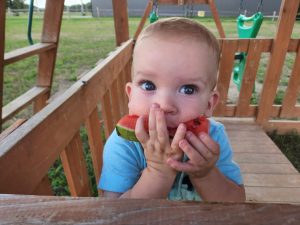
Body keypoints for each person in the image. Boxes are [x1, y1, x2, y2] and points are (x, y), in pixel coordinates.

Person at [99, 17, 246, 202]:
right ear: (130, 95)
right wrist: (158, 173)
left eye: (188, 89)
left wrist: (206, 174)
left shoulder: (213, 138)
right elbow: (114, 211)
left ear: (209, 104)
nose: (165, 105)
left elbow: (237, 202)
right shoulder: (123, 144)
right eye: (148, 85)